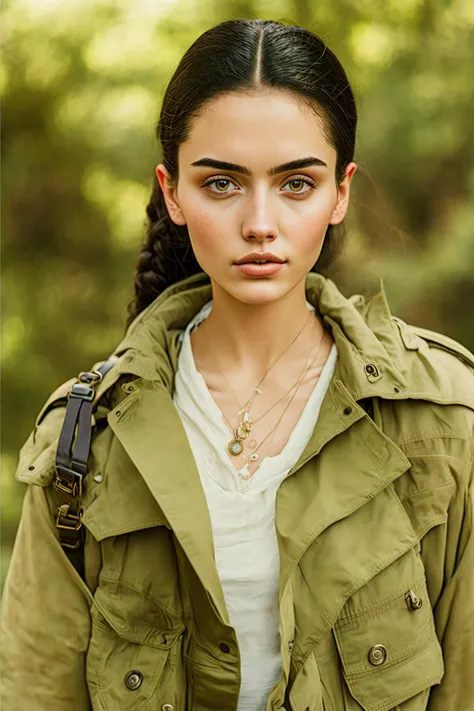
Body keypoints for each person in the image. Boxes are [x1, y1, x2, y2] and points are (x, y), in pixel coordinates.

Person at [1, 17, 473, 711]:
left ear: (340, 192)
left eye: (295, 184)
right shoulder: (84, 444)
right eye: (222, 183)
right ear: (173, 193)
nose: (260, 221)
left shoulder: (446, 423)